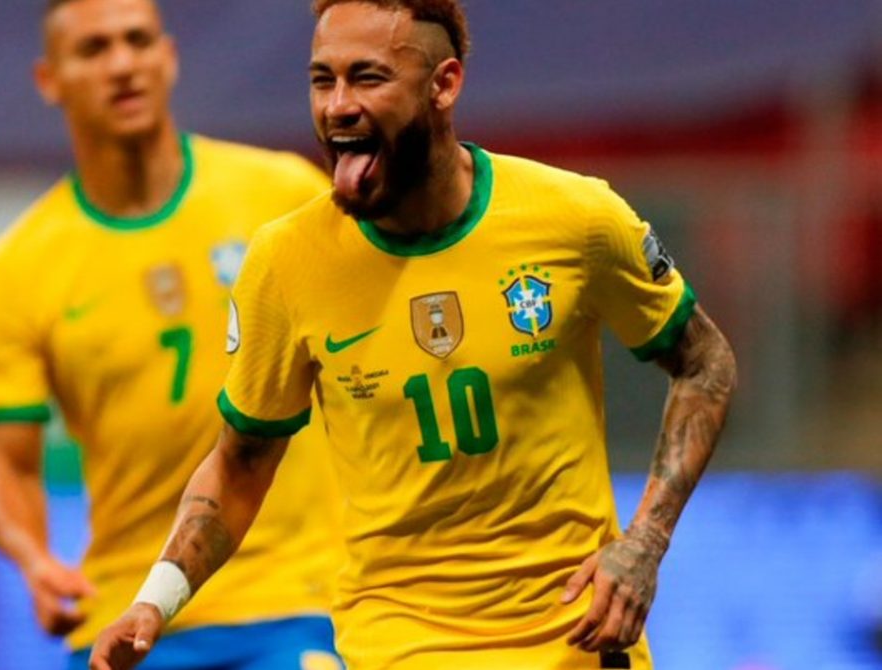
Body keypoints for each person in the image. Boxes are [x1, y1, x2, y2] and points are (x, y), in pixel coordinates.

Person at [89, 0, 737, 669]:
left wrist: (645, 543)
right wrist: (154, 601)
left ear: (443, 84)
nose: (337, 105)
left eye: (367, 78)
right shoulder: (287, 263)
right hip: (401, 645)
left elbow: (705, 363)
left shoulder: (577, 220)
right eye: (322, 80)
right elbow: (241, 462)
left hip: (576, 639)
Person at [0, 0, 344, 668]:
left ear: (167, 58)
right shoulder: (19, 264)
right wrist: (34, 561)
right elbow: (9, 464)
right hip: (126, 613)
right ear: (49, 79)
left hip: (297, 599)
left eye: (137, 41)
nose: (122, 64)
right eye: (93, 50)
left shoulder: (283, 195)